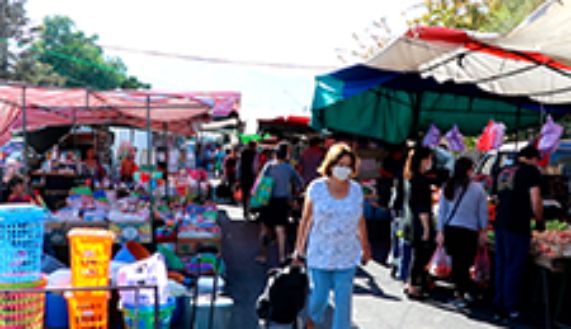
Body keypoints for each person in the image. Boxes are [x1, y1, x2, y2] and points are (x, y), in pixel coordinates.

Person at [294, 143, 372, 329]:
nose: (343, 169)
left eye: (347, 165)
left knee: (343, 303)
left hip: (346, 254)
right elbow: (306, 220)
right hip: (320, 253)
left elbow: (360, 220)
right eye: (340, 164)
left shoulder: (356, 190)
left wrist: (365, 246)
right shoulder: (316, 188)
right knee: (318, 298)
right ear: (330, 164)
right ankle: (313, 320)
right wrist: (298, 250)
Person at [493, 145, 543, 321]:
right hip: (518, 225)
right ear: (531, 158)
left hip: (500, 223)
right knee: (514, 267)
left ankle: (498, 303)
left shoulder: (503, 171)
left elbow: (497, 197)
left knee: (501, 265)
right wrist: (539, 221)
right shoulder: (531, 172)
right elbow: (535, 198)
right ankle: (510, 306)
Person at [437, 157, 488, 308]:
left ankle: (460, 293)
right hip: (469, 232)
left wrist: (440, 231)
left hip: (451, 230)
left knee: (456, 264)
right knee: (465, 264)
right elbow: (482, 213)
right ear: (468, 170)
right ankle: (464, 293)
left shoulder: (448, 186)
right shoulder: (478, 189)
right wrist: (483, 231)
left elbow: (442, 212)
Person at [255, 142, 303, 265]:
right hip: (282, 201)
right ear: (286, 154)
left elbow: (260, 182)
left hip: (267, 201)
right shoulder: (288, 168)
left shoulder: (269, 166)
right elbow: (299, 183)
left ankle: (263, 255)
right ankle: (282, 257)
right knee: (280, 230)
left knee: (265, 229)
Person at [404, 146, 435, 299]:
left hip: (411, 222)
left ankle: (410, 283)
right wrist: (427, 228)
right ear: (422, 161)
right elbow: (422, 207)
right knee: (421, 256)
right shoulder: (421, 181)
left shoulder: (410, 178)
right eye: (429, 159)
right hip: (418, 223)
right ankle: (414, 286)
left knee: (416, 255)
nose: (431, 162)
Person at [238, 141, 258, 219]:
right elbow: (254, 166)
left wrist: (238, 176)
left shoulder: (243, 153)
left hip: (244, 176)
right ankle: (248, 210)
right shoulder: (255, 154)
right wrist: (256, 175)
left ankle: (245, 211)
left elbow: (239, 166)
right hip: (251, 176)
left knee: (245, 194)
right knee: (251, 194)